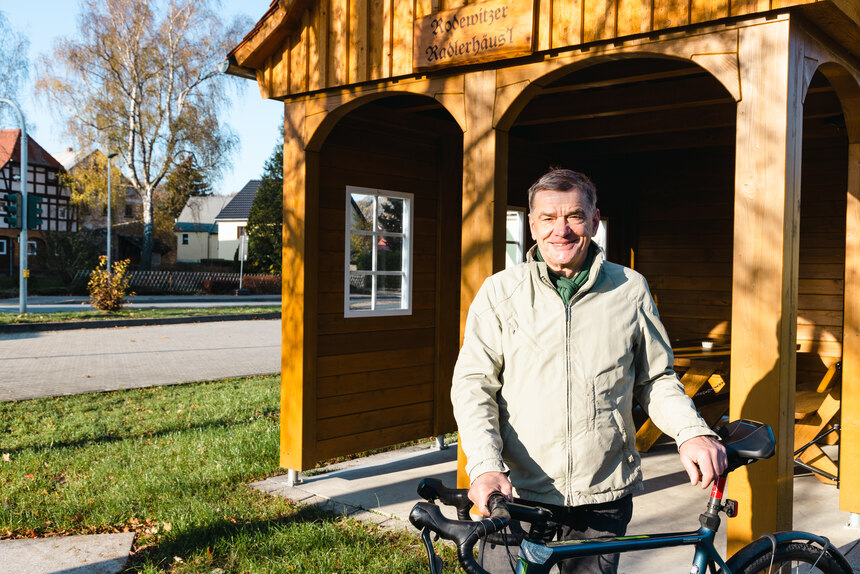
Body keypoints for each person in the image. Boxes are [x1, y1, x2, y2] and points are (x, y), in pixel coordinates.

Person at [451, 168, 727, 573]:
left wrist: (692, 432)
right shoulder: (500, 292)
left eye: (574, 217)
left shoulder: (629, 288)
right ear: (531, 225)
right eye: (547, 218)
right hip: (515, 495)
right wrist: (485, 466)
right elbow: (474, 386)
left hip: (602, 498)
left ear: (595, 220)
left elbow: (656, 379)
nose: (560, 230)